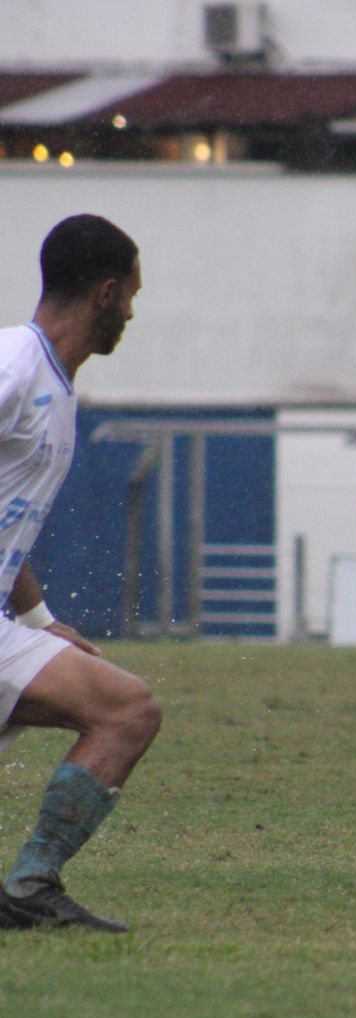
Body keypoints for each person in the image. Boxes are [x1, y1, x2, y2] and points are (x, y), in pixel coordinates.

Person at [0, 215, 162, 933]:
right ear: (105, 292)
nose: (131, 310)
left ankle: (30, 888)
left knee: (127, 709)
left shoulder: (57, 390)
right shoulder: (14, 364)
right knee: (125, 710)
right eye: (130, 293)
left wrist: (38, 622)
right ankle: (31, 888)